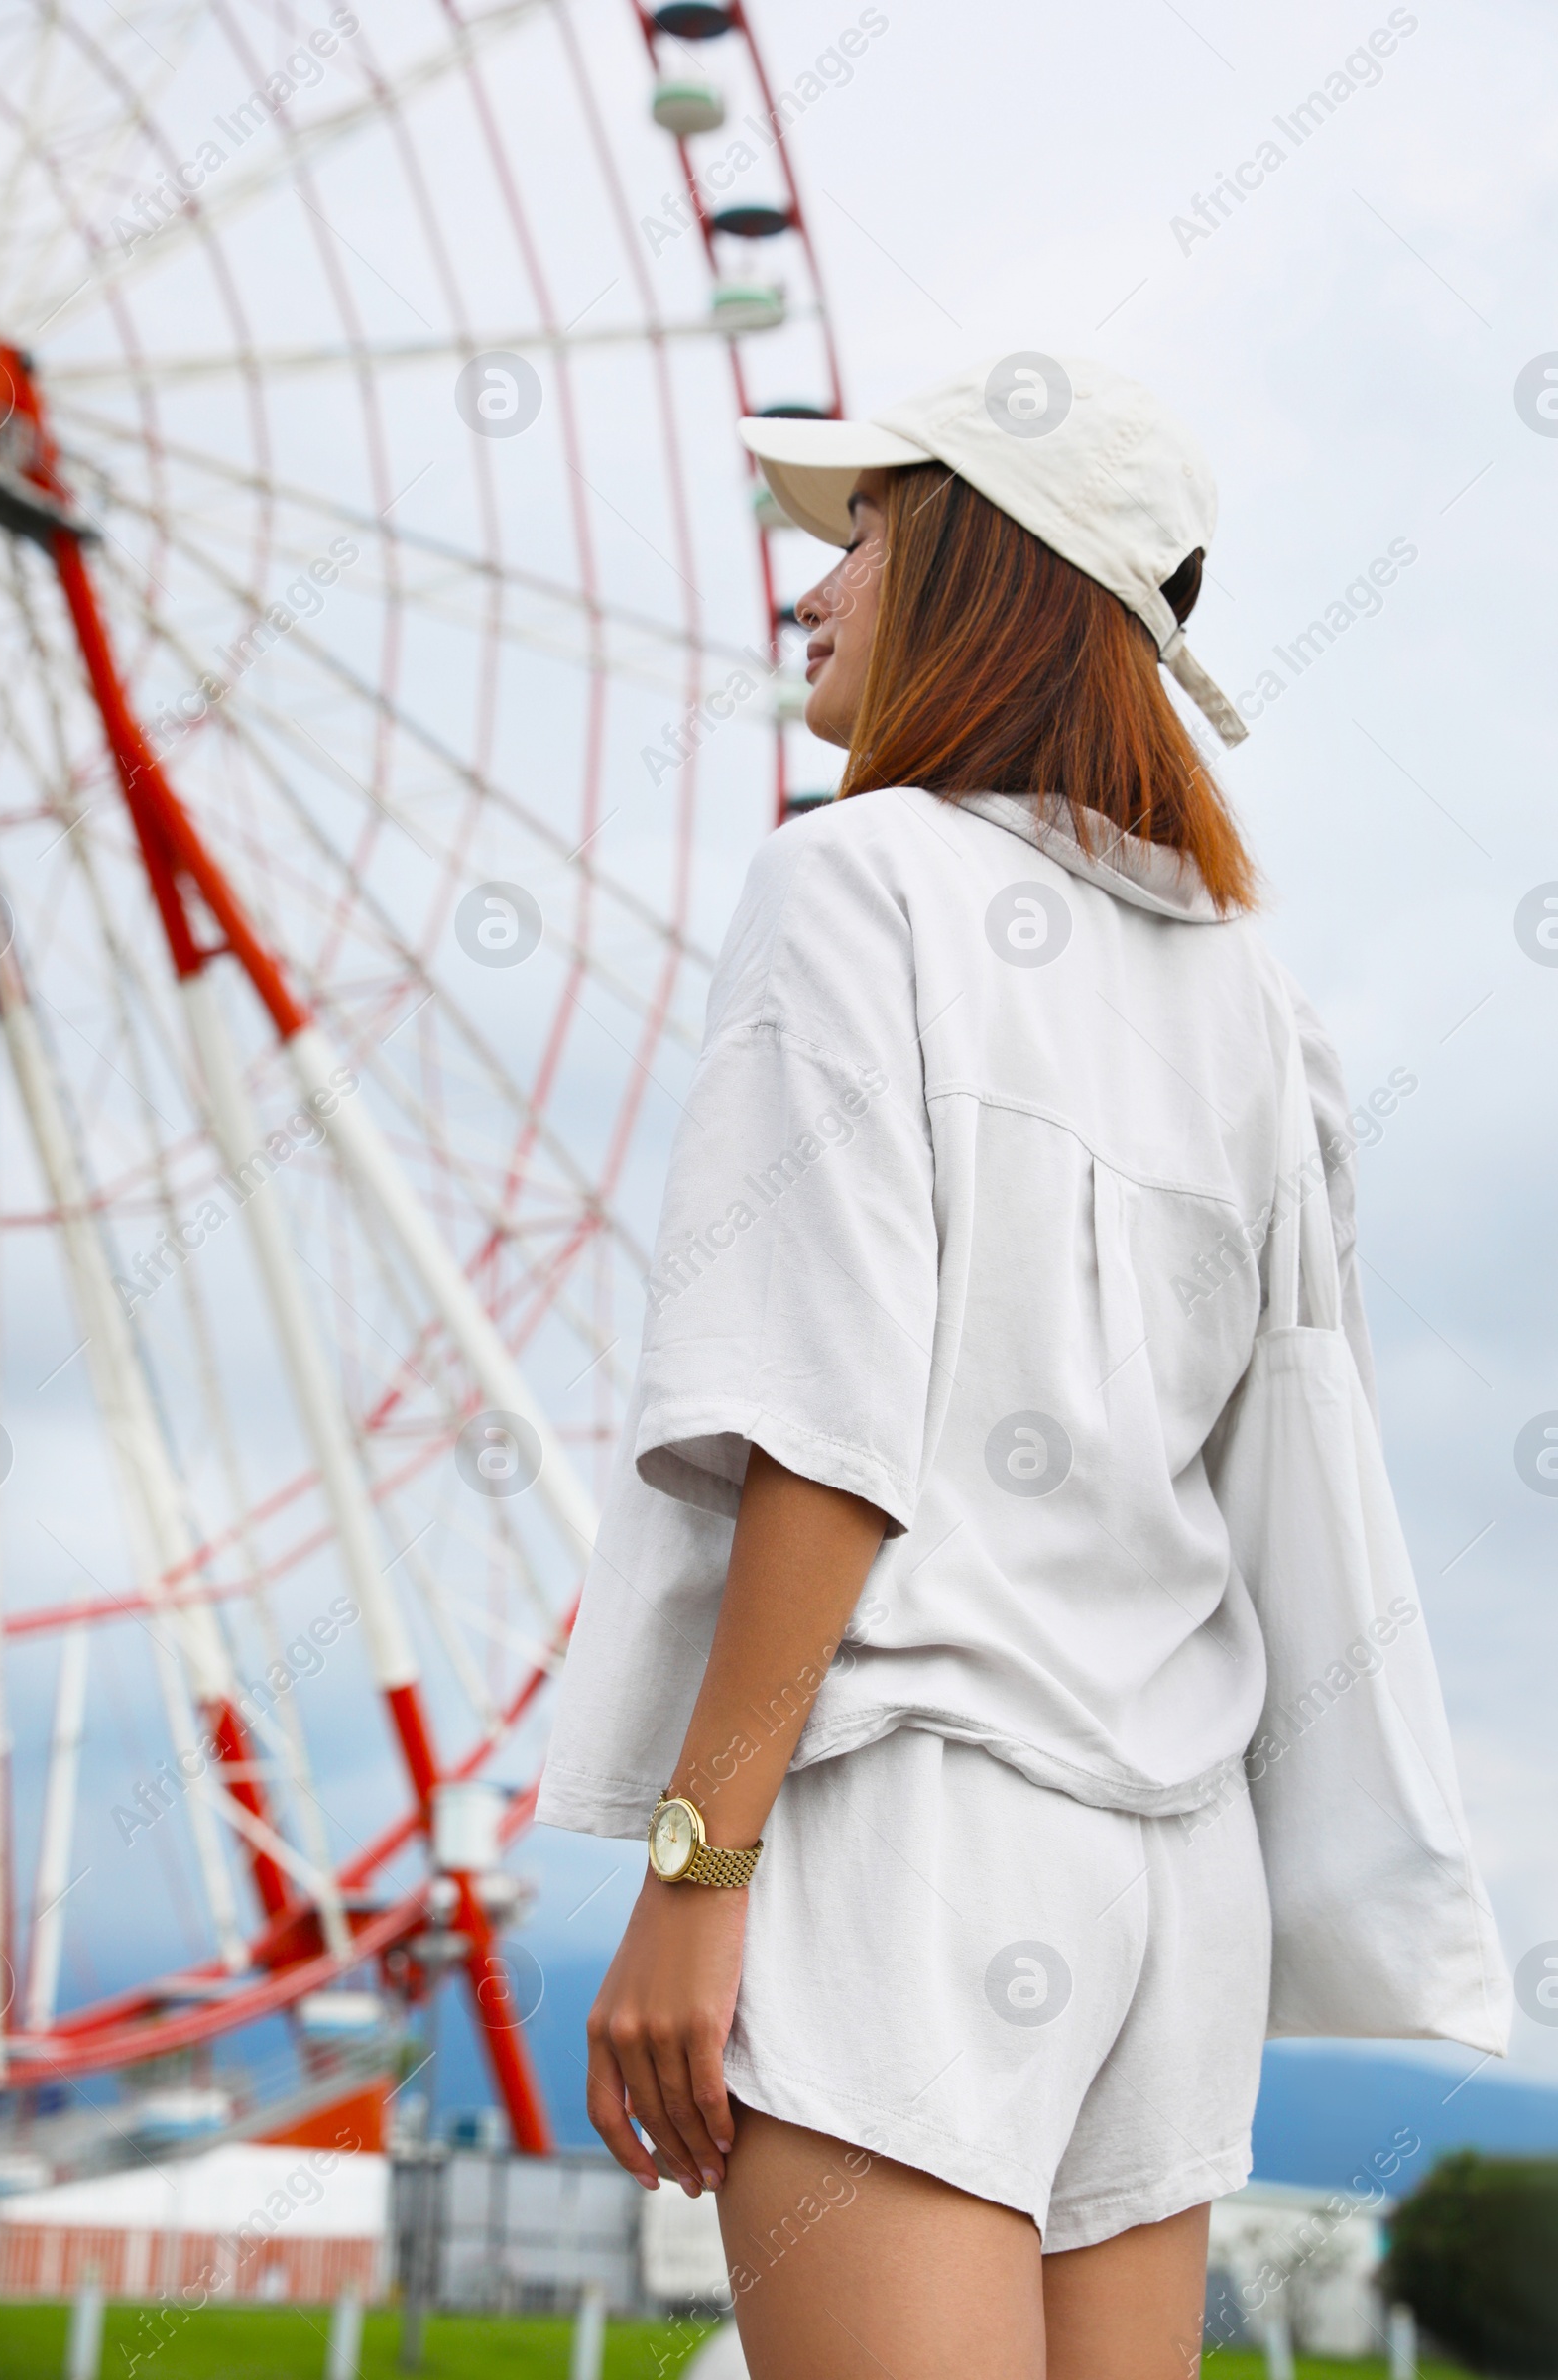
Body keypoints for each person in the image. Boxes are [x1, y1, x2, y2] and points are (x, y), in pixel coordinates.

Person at [535, 356, 1505, 2379]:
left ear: (981, 569)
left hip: (911, 1825)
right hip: (1168, 1867)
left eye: (865, 536)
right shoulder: (1253, 994)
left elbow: (819, 1423)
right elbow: (1286, 1451)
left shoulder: (852, 881)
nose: (811, 593)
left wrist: (695, 1867)